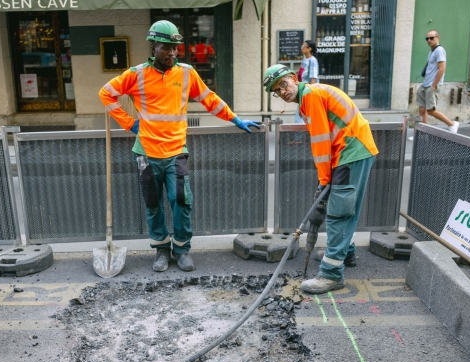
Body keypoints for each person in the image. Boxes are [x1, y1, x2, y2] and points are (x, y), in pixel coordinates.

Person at [99, 20, 261, 273]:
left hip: (176, 151)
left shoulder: (186, 73)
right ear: (154, 47)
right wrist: (129, 124)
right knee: (153, 205)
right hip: (146, 153)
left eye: (176, 48)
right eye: (167, 48)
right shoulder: (137, 74)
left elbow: (209, 99)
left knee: (181, 201)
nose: (172, 53)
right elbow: (105, 93)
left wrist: (235, 118)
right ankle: (162, 250)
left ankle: (182, 249)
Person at [263, 64, 378, 294]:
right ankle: (346, 254)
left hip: (350, 151)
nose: (282, 92)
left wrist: (324, 181)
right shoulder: (309, 97)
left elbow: (321, 144)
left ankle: (331, 275)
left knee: (339, 213)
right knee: (342, 207)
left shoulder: (311, 97)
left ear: (294, 78)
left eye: (283, 84)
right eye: (277, 90)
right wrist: (325, 181)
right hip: (350, 150)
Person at [414, 29, 459, 138]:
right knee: (422, 109)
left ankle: (452, 124)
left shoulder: (439, 50)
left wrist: (434, 85)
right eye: (427, 38)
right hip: (425, 84)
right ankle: (423, 133)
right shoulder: (431, 52)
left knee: (431, 110)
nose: (429, 40)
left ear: (438, 38)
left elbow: (442, 69)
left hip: (432, 85)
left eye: (432, 38)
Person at [295, 40, 318, 125]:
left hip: (307, 92)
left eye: (303, 46)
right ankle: (301, 136)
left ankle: (301, 137)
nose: (301, 48)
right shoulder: (305, 60)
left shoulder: (313, 61)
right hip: (302, 91)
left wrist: (310, 94)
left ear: (309, 49)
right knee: (300, 114)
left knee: (300, 116)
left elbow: (313, 78)